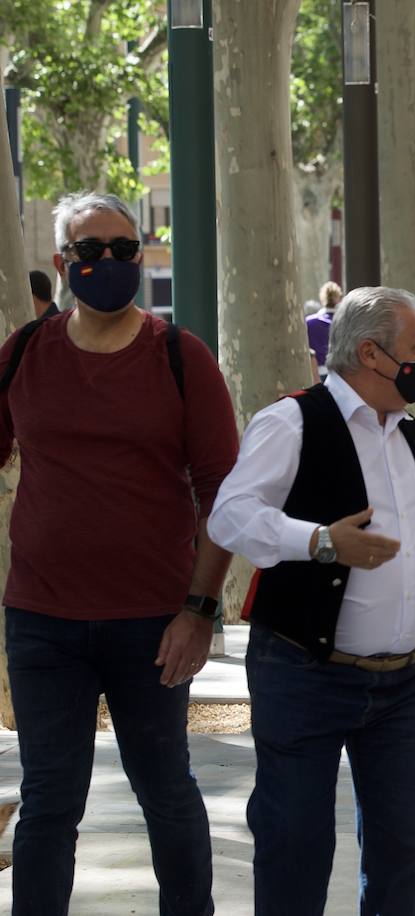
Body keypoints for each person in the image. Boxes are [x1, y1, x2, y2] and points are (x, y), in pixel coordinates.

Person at [207, 286, 415, 916]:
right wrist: (317, 542)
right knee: (294, 849)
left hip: (406, 686)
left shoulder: (413, 437)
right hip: (303, 676)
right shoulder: (292, 422)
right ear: (372, 353)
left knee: (401, 853)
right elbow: (230, 516)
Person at [1, 191, 240, 915]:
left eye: (125, 251)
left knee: (166, 789)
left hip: (153, 623)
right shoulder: (22, 356)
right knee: (48, 800)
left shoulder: (178, 357)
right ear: (61, 264)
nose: (111, 264)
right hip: (42, 620)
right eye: (93, 252)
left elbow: (223, 494)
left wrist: (199, 612)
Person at [306, 281, 343, 371]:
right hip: (338, 373)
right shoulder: (344, 322)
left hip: (315, 371)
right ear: (339, 299)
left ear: (322, 299)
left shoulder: (309, 322)